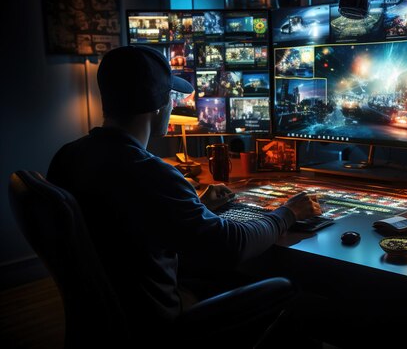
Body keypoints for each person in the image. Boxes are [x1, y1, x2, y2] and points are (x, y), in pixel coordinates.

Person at [47, 46, 321, 345]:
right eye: (170, 97)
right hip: (160, 326)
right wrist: (287, 213)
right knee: (295, 294)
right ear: (158, 104)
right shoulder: (151, 173)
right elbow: (231, 246)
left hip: (103, 324)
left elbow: (123, 223)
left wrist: (197, 206)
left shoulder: (68, 157)